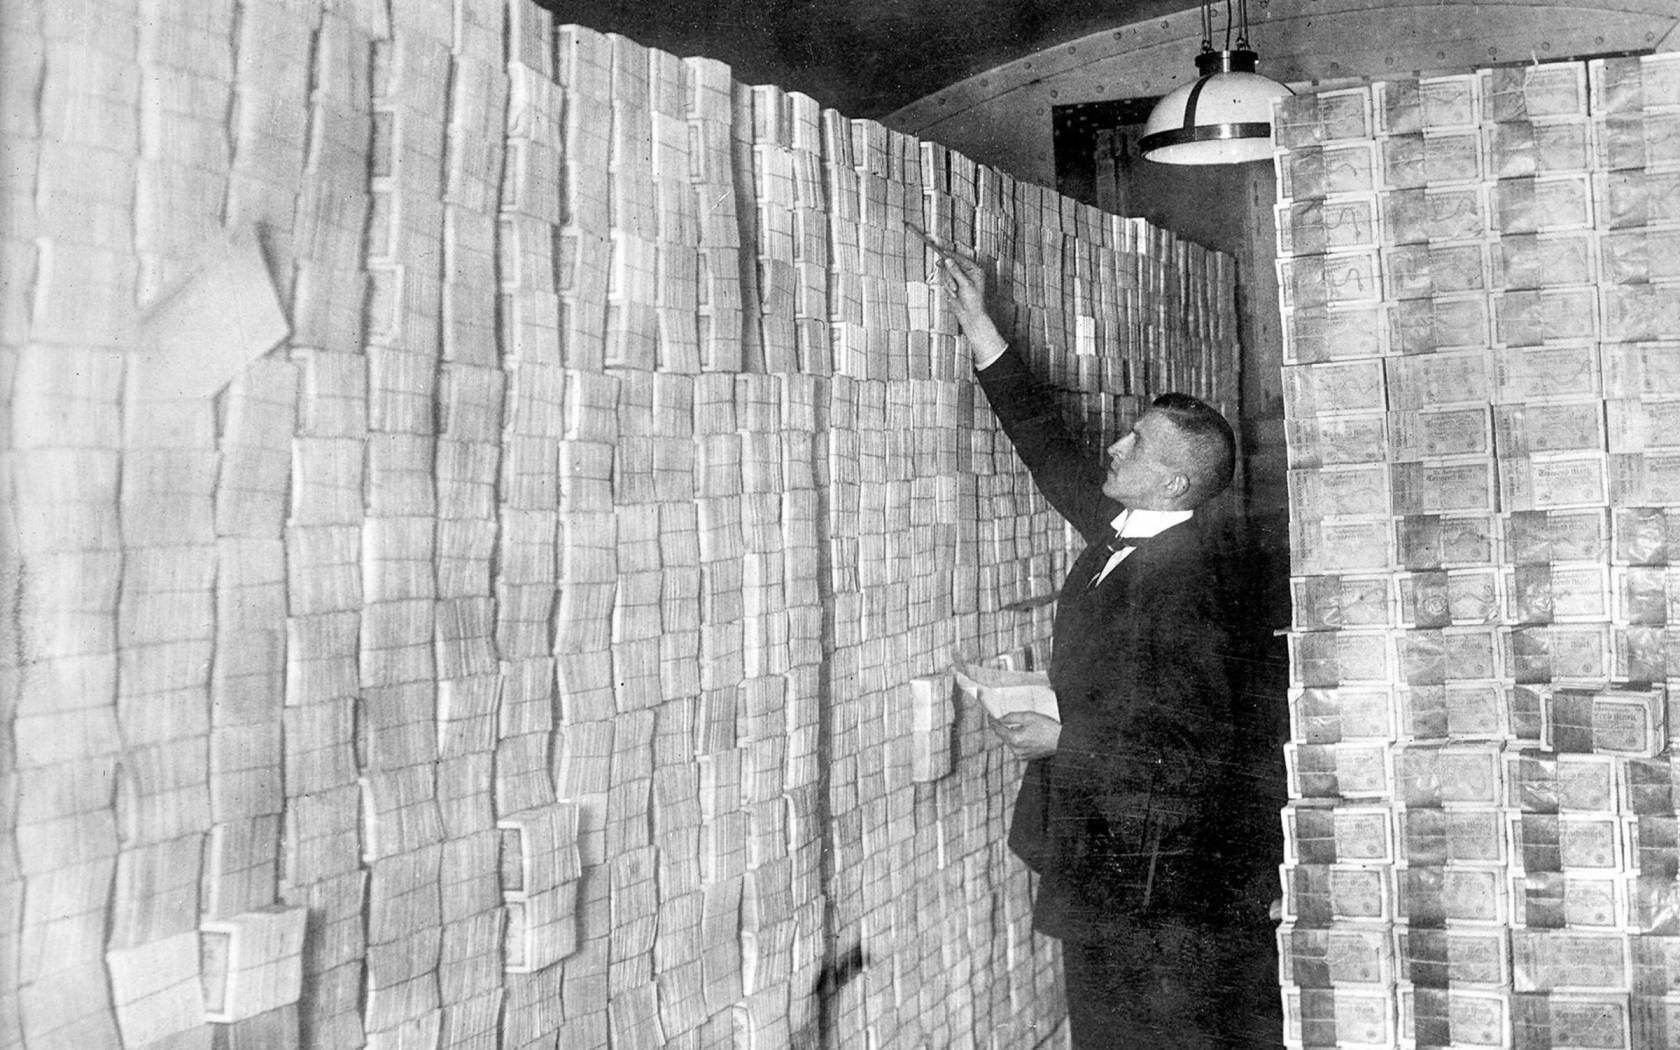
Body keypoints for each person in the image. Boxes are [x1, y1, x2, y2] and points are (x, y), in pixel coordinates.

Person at [940, 251, 1254, 1049]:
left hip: (1152, 881)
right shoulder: (1127, 531)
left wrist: (1063, 738)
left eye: (1137, 446)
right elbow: (1051, 453)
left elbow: (1192, 753)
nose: (1114, 448)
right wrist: (983, 328)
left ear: (1175, 485)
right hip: (1108, 861)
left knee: (1144, 1035)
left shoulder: (1188, 584)